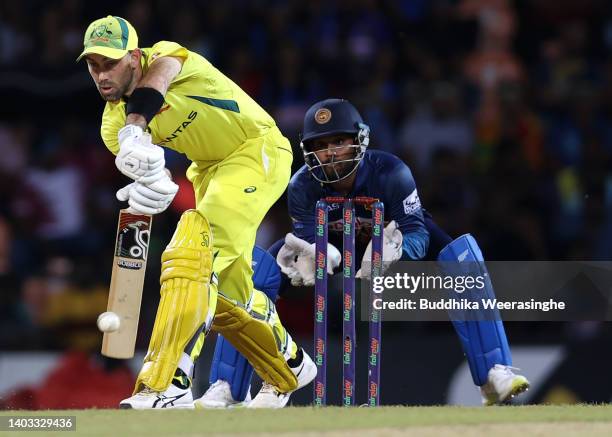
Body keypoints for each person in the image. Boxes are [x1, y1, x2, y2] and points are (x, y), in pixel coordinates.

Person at [201, 98, 530, 407]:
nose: (331, 153)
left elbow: (415, 229)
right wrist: (309, 259)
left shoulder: (391, 171)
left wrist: (397, 248)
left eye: (338, 142)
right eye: (321, 146)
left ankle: (493, 373)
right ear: (309, 151)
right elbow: (305, 238)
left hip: (389, 243)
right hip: (333, 249)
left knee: (462, 256)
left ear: (359, 140)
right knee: (253, 273)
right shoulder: (301, 185)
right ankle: (228, 387)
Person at [78, 15, 315, 409]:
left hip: (255, 150)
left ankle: (167, 383)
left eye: (111, 63)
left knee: (192, 253)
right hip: (207, 172)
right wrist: (151, 187)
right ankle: (288, 365)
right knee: (226, 296)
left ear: (135, 57)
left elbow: (155, 87)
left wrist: (136, 127)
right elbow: (150, 176)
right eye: (93, 65)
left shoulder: (167, 58)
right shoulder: (111, 126)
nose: (101, 75)